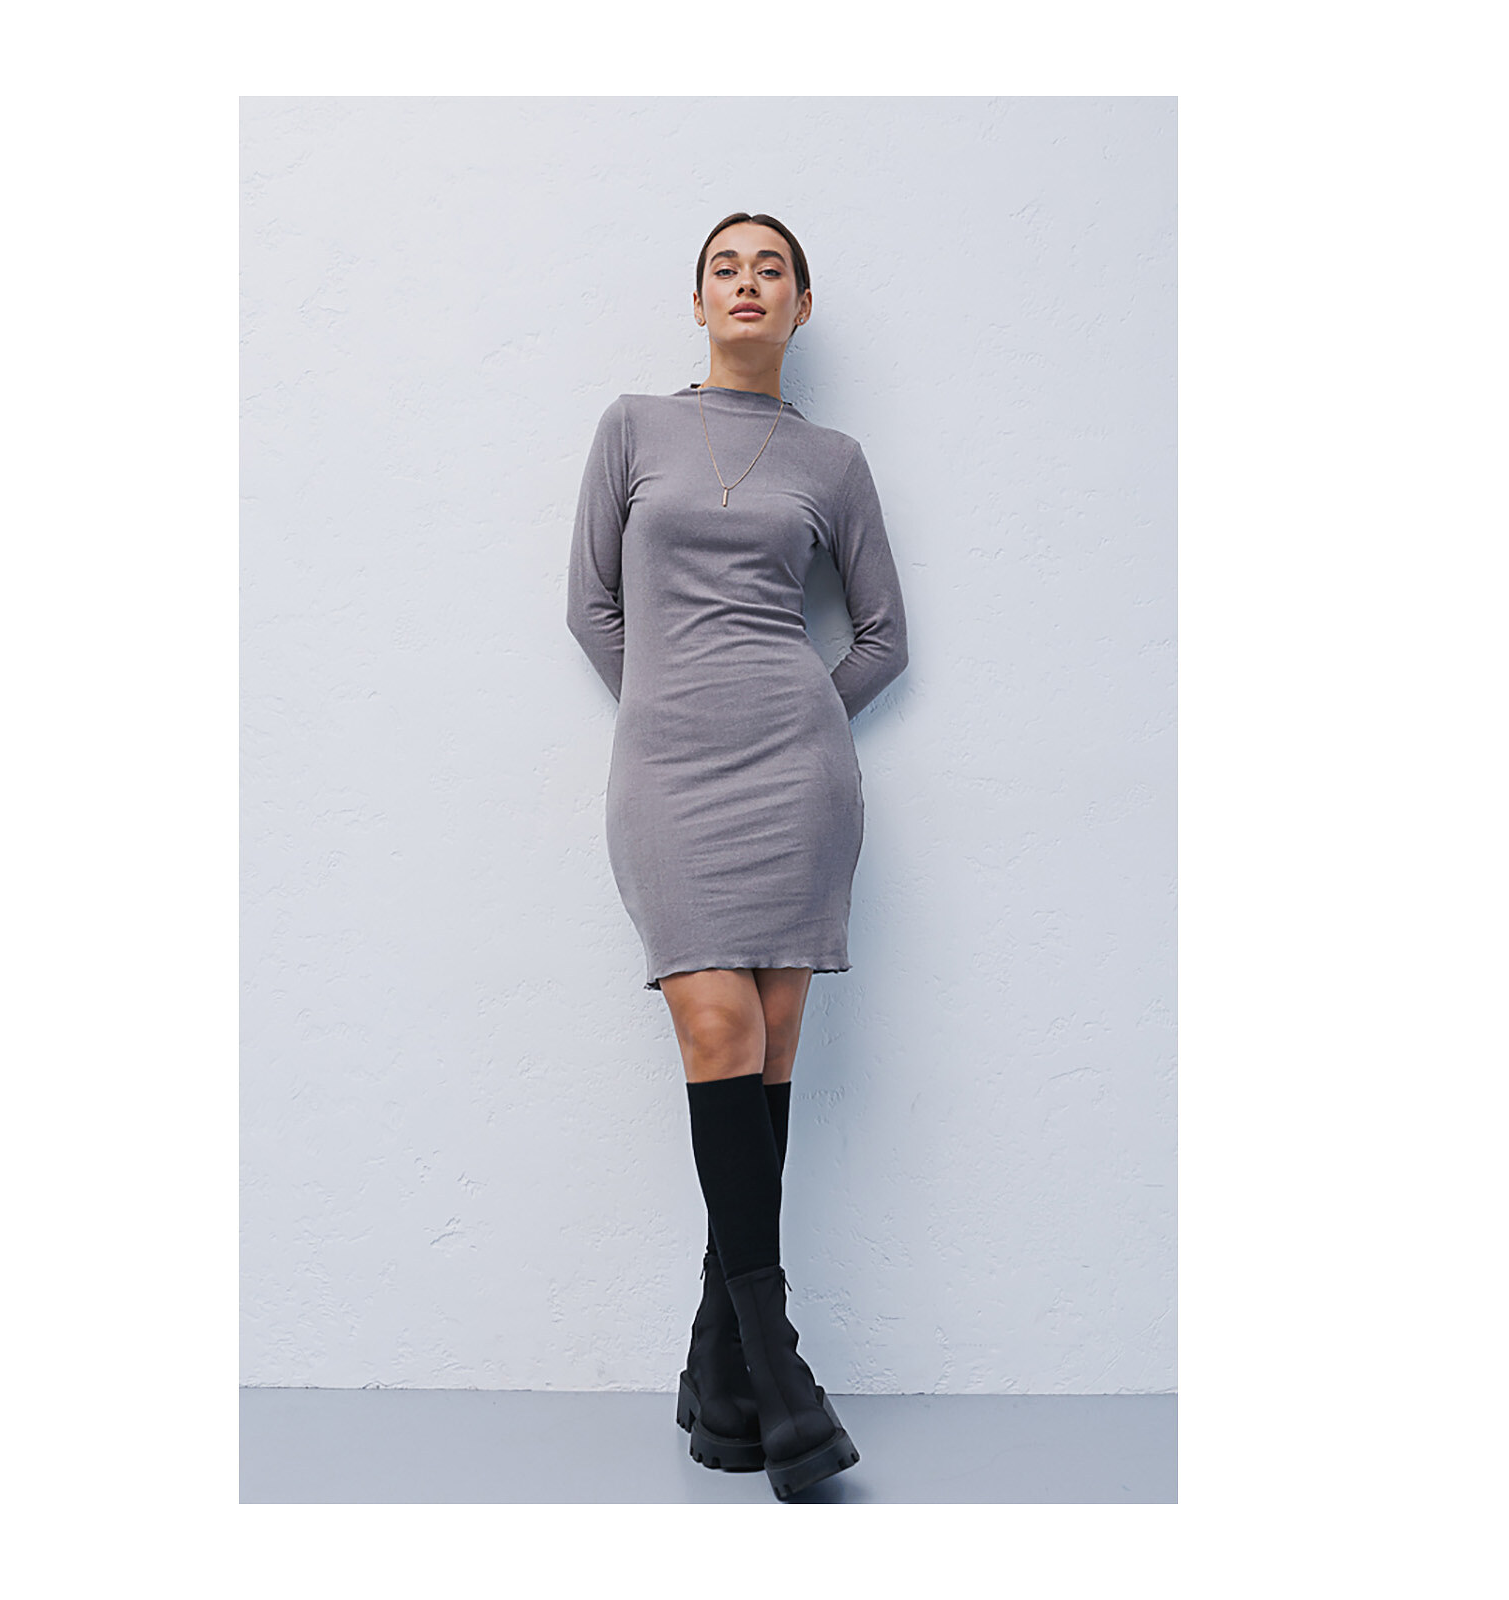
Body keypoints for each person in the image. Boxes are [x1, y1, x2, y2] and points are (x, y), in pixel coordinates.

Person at [565, 211, 909, 1500]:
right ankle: (780, 1370)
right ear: (698, 298)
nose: (748, 283)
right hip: (670, 776)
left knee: (769, 1047)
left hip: (797, 779)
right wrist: (672, 707)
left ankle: (720, 1375)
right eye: (727, 267)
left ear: (801, 305)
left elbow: (882, 637)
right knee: (717, 1027)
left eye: (773, 269)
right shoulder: (633, 428)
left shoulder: (834, 460)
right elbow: (590, 604)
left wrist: (799, 710)